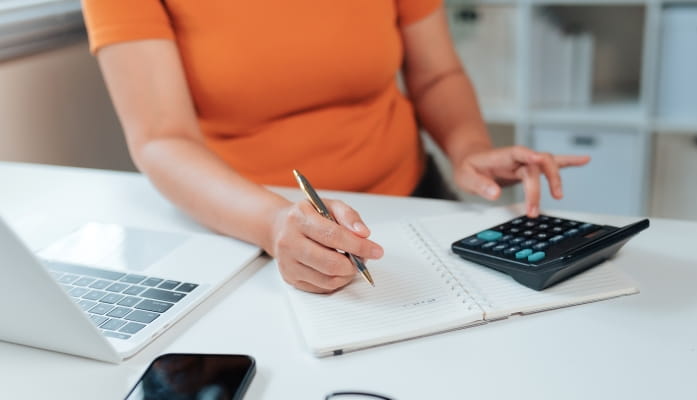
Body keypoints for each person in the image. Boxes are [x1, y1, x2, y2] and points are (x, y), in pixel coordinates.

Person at [83, 0, 590, 294]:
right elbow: (161, 137)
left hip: (408, 201)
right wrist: (272, 223)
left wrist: (467, 147)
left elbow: (436, 73)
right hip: (246, 229)